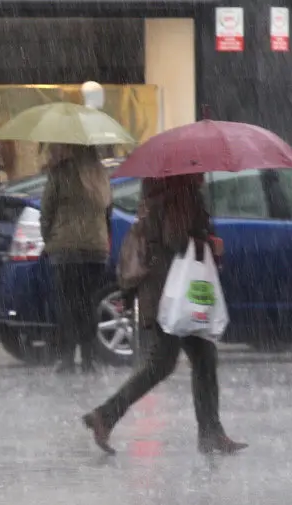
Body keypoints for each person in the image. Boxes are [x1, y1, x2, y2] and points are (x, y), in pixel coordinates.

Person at [82, 174, 247, 455]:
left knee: (200, 358)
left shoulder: (159, 192)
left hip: (164, 289)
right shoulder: (181, 193)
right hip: (173, 293)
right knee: (167, 362)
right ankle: (106, 415)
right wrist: (208, 243)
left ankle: (210, 432)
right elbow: (176, 240)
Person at [40, 144, 112, 373]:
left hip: (67, 251)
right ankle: (90, 359)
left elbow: (46, 211)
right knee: (89, 304)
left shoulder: (60, 173)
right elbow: (108, 213)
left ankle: (68, 358)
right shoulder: (101, 175)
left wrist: (50, 238)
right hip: (95, 251)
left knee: (67, 305)